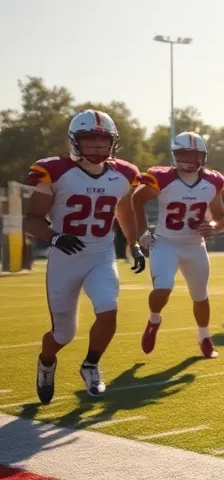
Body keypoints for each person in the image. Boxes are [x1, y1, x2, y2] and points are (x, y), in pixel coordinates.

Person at [25, 110, 145, 403]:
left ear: (112, 143)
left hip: (100, 255)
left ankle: (90, 364)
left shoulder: (124, 174)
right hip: (65, 259)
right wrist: (55, 236)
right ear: (74, 141)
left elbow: (125, 211)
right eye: (88, 139)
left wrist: (134, 243)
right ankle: (46, 361)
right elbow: (31, 219)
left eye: (102, 140)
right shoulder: (55, 171)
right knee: (63, 334)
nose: (95, 146)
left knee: (108, 309)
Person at [134, 132, 224, 360]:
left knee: (200, 296)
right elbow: (136, 200)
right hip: (165, 242)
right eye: (183, 154)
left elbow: (220, 216)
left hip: (195, 245)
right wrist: (141, 233)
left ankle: (204, 336)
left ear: (203, 156)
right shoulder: (162, 178)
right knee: (163, 287)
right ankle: (154, 318)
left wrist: (214, 226)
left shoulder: (213, 181)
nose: (188, 159)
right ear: (174, 155)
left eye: (193, 154)